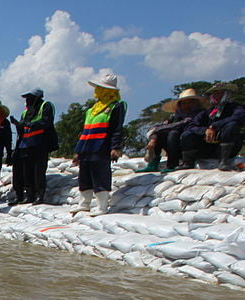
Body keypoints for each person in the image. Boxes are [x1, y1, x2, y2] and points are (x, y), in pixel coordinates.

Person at [71, 71, 126, 216]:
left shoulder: (116, 106)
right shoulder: (92, 110)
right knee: (85, 175)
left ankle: (102, 206)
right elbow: (85, 131)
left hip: (102, 146)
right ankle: (85, 204)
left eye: (100, 88)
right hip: (87, 146)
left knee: (100, 174)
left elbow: (117, 128)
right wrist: (78, 151)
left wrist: (115, 147)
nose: (97, 91)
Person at [179, 82, 245, 171]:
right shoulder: (208, 112)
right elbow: (191, 126)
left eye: (219, 93)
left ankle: (224, 161)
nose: (215, 96)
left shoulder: (236, 107)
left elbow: (239, 117)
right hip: (208, 146)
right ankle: (188, 163)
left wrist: (214, 126)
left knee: (231, 125)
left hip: (227, 146)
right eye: (214, 93)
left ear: (226, 94)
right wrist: (205, 130)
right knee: (187, 134)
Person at [136, 89, 206, 173]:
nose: (187, 105)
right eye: (184, 103)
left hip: (191, 148)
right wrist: (154, 137)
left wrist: (155, 132)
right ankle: (152, 163)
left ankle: (172, 165)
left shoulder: (199, 115)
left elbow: (181, 124)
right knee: (161, 134)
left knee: (173, 133)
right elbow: (159, 126)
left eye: (190, 102)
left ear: (196, 103)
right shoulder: (175, 117)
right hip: (175, 148)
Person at [10, 88, 57, 204]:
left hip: (41, 144)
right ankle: (30, 196)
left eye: (29, 98)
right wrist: (17, 124)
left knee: (39, 172)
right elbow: (22, 129)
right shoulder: (25, 112)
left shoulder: (46, 106)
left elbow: (46, 122)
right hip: (26, 146)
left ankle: (40, 196)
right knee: (27, 172)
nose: (27, 100)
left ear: (37, 98)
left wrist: (28, 124)